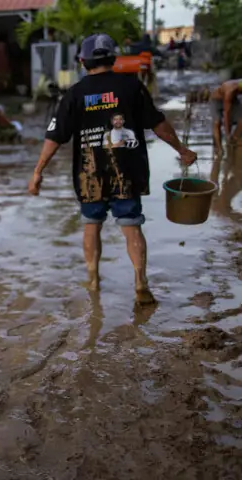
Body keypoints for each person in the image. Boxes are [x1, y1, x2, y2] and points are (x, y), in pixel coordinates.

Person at [28, 33, 197, 305]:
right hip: (127, 171)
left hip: (89, 174)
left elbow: (55, 137)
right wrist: (182, 150)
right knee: (131, 226)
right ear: (114, 59)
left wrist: (38, 171)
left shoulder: (74, 94)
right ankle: (140, 282)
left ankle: (93, 280)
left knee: (91, 225)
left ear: (83, 62)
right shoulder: (132, 87)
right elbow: (158, 124)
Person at [209, 79, 242, 152]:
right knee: (217, 122)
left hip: (233, 100)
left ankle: (234, 139)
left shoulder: (239, 85)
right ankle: (219, 148)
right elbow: (227, 113)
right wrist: (227, 133)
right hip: (216, 101)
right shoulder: (230, 90)